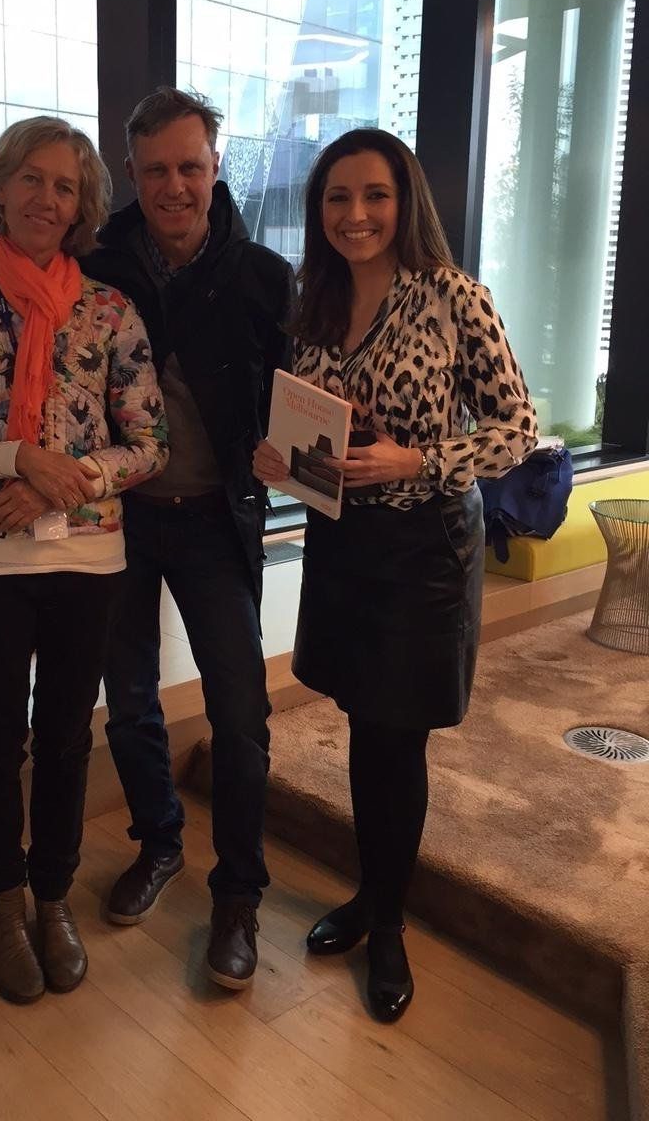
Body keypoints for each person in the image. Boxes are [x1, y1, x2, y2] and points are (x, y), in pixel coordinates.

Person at [253, 127, 537, 1021]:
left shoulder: (453, 296)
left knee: (397, 735)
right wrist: (283, 461)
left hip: (425, 547)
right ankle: (370, 894)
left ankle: (388, 925)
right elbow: (319, 425)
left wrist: (418, 461)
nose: (356, 214)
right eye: (337, 197)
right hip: (343, 542)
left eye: (374, 194)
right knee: (360, 722)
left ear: (404, 200)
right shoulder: (316, 299)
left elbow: (518, 430)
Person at [0, 116, 168, 1005]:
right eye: (31, 178)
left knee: (64, 737)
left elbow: (151, 445)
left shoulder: (110, 312)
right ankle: (3, 905)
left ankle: (53, 899)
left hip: (86, 560)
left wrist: (63, 484)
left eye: (65, 186)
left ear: (82, 205)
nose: (47, 198)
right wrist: (16, 460)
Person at [83, 87, 296, 989]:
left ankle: (239, 893)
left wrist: (292, 457)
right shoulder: (96, 269)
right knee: (130, 698)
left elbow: (298, 401)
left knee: (240, 713)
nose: (174, 185)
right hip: (118, 520)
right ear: (131, 174)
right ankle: (159, 841)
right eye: (156, 169)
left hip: (216, 518)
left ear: (217, 167)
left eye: (190, 167)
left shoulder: (264, 276)